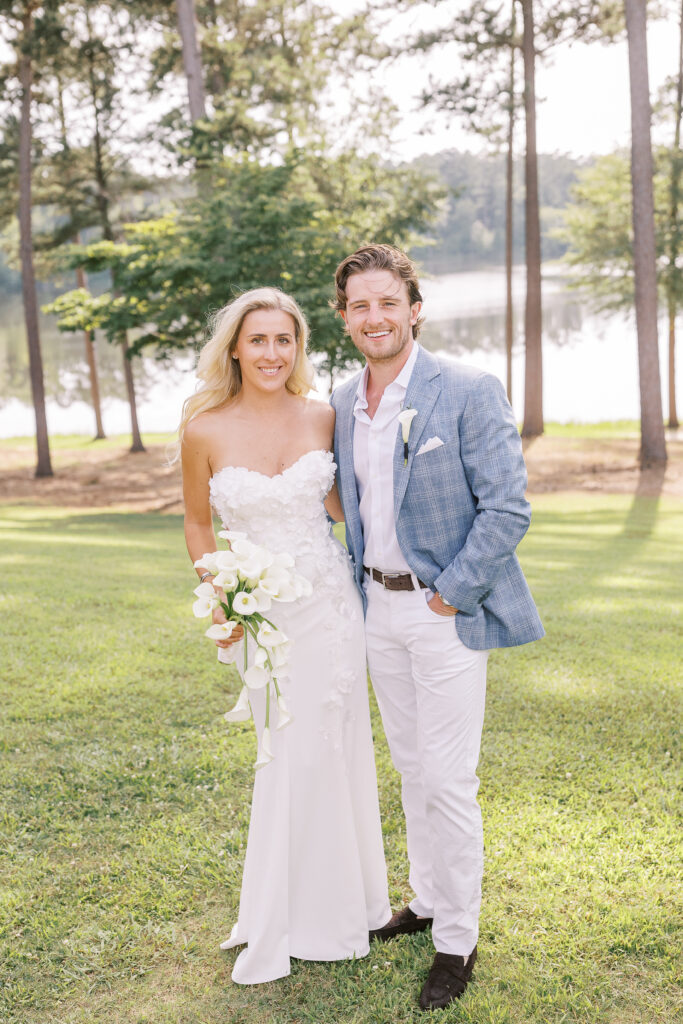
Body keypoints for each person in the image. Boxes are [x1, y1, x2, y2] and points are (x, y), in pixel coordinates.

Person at [330, 244, 544, 1012]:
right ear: (344, 317)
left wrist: (448, 596)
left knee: (449, 779)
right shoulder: (339, 401)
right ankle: (422, 902)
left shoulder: (466, 389)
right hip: (374, 611)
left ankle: (456, 939)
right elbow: (345, 506)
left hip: (441, 612)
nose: (375, 316)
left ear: (414, 308)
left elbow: (507, 509)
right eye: (359, 305)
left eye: (388, 301)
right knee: (412, 768)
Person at [180, 287, 390, 985]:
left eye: (284, 340)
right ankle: (281, 910)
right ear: (235, 348)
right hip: (260, 617)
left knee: (333, 746)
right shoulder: (203, 428)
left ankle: (345, 906)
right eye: (258, 340)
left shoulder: (324, 416)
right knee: (286, 753)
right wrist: (221, 595)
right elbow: (197, 523)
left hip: (329, 608)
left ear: (297, 348)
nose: (272, 353)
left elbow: (343, 506)